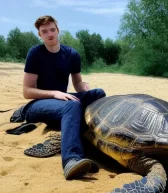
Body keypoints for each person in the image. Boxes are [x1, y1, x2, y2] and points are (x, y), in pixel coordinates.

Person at [18, 15, 106, 180]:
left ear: (58, 30)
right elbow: (27, 91)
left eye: (52, 30)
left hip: (62, 103)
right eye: (44, 31)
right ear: (39, 35)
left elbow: (77, 83)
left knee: (98, 93)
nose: (49, 34)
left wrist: (85, 88)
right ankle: (71, 160)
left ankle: (96, 135)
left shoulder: (72, 54)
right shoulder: (35, 53)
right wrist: (54, 93)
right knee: (72, 106)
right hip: (38, 104)